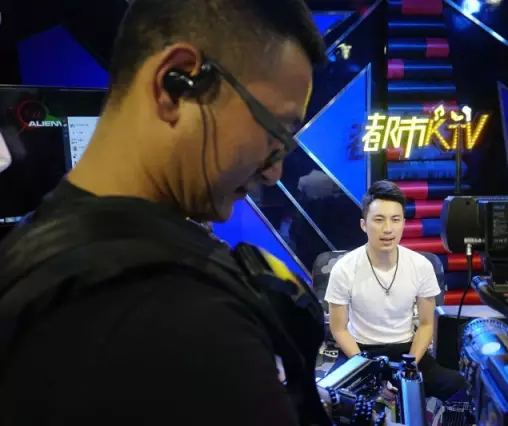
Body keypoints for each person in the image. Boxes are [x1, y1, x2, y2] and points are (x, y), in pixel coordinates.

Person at [0, 0, 327, 425]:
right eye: (275, 132)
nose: (274, 171)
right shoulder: (183, 319)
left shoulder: (35, 254)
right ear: (177, 85)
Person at [324, 180, 467, 401]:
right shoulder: (344, 268)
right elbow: (339, 329)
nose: (388, 229)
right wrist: (369, 371)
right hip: (360, 350)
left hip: (408, 351)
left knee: (460, 387)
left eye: (395, 219)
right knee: (330, 398)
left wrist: (409, 367)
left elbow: (427, 325)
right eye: (379, 220)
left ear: (403, 224)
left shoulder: (421, 265)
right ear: (364, 225)